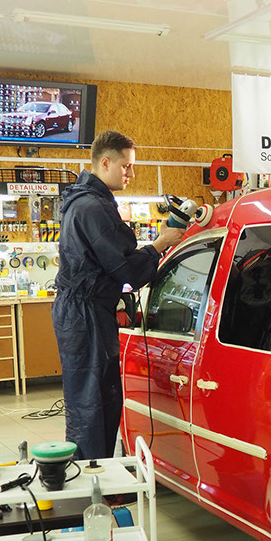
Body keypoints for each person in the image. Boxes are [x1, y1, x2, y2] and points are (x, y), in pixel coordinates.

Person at [53, 130, 184, 459]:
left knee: (92, 399)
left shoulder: (82, 201)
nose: (131, 173)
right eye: (126, 166)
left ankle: (93, 472)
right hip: (85, 313)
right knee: (94, 402)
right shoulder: (93, 207)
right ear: (106, 162)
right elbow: (126, 270)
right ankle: (95, 482)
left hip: (82, 309)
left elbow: (115, 257)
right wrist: (161, 244)